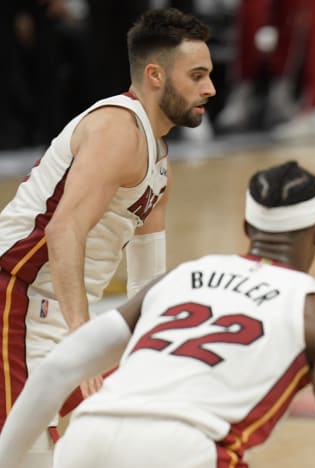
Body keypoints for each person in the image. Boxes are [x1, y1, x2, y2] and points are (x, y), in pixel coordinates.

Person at [0, 161, 315, 468]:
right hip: (184, 448)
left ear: (247, 227)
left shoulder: (180, 277)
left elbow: (56, 368)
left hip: (87, 437)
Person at [0, 7, 215, 467]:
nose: (210, 88)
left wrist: (155, 348)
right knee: (23, 456)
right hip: (13, 296)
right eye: (196, 75)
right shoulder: (119, 129)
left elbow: (145, 284)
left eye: (209, 75)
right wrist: (82, 341)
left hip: (58, 313)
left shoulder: (159, 160)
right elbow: (63, 228)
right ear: (155, 75)